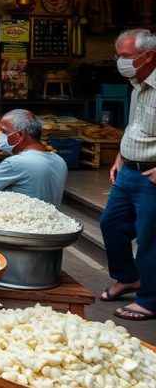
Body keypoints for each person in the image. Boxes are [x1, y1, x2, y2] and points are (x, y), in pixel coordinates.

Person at [99, 29, 156, 321]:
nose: (120, 61)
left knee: (149, 238)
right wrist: (120, 157)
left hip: (150, 175)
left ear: (148, 56)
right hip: (128, 170)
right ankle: (128, 277)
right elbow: (134, 126)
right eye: (118, 55)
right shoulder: (137, 84)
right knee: (112, 224)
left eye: (125, 56)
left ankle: (150, 300)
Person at [0, 110, 67, 204]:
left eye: (4, 132)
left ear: (21, 135)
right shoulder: (60, 161)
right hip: (49, 221)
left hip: (22, 222)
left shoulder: (17, 163)